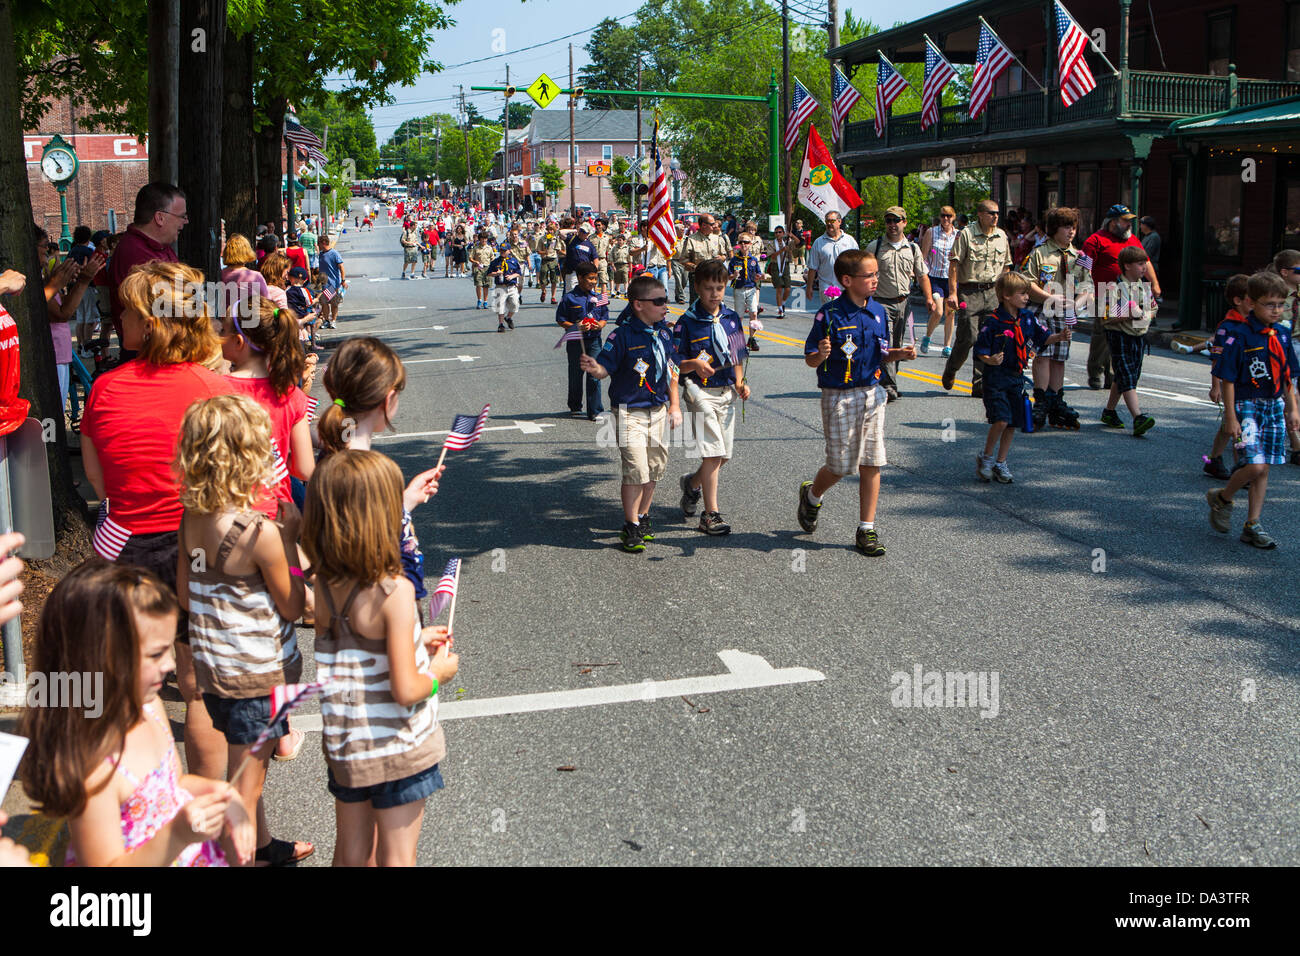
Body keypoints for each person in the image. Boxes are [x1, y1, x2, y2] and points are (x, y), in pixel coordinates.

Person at [79, 261, 234, 783]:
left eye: (126, 308)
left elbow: (98, 484)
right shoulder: (218, 389)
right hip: (202, 550)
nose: (116, 315)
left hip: (125, 551)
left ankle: (144, 823)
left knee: (133, 688)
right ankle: (212, 833)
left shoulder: (103, 390)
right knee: (198, 689)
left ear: (151, 321)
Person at [20, 559, 255, 866]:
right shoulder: (92, 766)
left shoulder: (150, 706)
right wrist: (178, 835)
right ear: (103, 659)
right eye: (156, 653)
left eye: (169, 648)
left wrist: (223, 793)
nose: (170, 664)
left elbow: (172, 787)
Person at [174, 395, 312, 866]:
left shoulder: (190, 520)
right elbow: (292, 605)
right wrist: (291, 545)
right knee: (243, 795)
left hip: (217, 676)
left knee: (245, 777)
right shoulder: (260, 533)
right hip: (259, 679)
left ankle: (261, 847)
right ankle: (241, 857)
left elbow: (186, 595)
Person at [302, 450, 457, 866]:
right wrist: (438, 673)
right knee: (397, 856)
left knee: (351, 851)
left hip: (346, 743)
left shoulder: (324, 582)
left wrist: (411, 639)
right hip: (398, 746)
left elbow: (356, 643)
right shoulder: (395, 591)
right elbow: (407, 689)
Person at [795, 249, 917, 556]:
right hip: (838, 395)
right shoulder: (829, 315)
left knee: (872, 461)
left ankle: (866, 528)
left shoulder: (878, 312)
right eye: (869, 275)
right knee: (840, 465)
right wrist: (819, 355)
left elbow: (881, 351)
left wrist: (896, 354)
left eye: (877, 274)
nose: (875, 280)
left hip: (872, 393)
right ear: (847, 280)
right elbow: (811, 360)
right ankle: (812, 494)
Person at [318, 338, 443, 614]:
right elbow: (383, 546)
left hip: (344, 616)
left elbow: (356, 527)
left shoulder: (329, 459)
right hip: (383, 618)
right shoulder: (376, 471)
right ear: (388, 399)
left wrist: (404, 502)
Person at [579, 273, 682, 553]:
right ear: (638, 304)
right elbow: (605, 369)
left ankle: (644, 515)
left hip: (658, 409)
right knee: (636, 467)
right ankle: (631, 524)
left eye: (666, 300)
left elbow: (671, 370)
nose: (665, 306)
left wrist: (674, 405)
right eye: (659, 301)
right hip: (629, 411)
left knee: (655, 468)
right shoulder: (621, 335)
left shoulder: (664, 332)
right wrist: (594, 368)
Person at [1205, 271, 1299, 549]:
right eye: (1270, 304)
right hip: (1247, 407)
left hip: (1274, 405)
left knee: (1264, 467)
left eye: (1281, 304)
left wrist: (1292, 409)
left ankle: (1252, 524)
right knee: (1254, 463)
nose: (1277, 310)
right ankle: (1223, 497)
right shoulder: (1239, 335)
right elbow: (1229, 378)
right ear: (1250, 302)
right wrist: (1231, 416)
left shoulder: (1281, 333)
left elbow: (1286, 376)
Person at [673, 259, 750, 535]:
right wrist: (693, 363)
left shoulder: (731, 319)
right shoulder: (687, 323)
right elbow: (674, 363)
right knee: (713, 453)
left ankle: (692, 484)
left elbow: (738, 355)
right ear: (697, 288)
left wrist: (740, 382)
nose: (714, 294)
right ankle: (710, 514)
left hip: (725, 392)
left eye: (719, 287)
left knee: (723, 455)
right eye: (708, 288)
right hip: (698, 392)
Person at [974, 272, 1072, 483]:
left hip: (1016, 378)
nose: (1027, 297)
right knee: (1001, 419)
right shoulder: (993, 321)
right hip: (996, 378)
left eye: (1027, 293)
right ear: (1006, 296)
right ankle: (987, 457)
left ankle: (1001, 462)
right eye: (1022, 294)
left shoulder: (1028, 318)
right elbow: (980, 350)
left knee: (1013, 423)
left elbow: (1043, 338)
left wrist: (1060, 337)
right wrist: (990, 359)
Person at [1021, 207, 1094, 430]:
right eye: (1066, 227)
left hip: (1065, 312)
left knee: (1060, 356)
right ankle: (1041, 400)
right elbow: (1027, 282)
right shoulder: (1040, 253)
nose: (1071, 231)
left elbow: (1087, 286)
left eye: (1073, 227)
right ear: (1054, 229)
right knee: (1043, 353)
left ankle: (1056, 399)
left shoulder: (1079, 257)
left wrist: (1077, 303)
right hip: (1042, 309)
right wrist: (1049, 297)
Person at [1081, 204, 1162, 390]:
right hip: (1104, 293)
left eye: (1130, 221)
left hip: (1130, 293)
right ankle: (1096, 373)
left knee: (1121, 335)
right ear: (1112, 222)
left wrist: (1155, 284)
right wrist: (1087, 292)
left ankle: (1114, 375)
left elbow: (1146, 261)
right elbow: (1083, 268)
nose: (1129, 225)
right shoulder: (1094, 241)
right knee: (1102, 336)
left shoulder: (1133, 239)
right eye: (1125, 221)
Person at [865, 206, 937, 402]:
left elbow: (922, 275)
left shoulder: (913, 248)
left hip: (903, 302)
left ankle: (888, 380)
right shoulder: (875, 247)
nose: (892, 225)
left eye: (896, 220)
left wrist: (929, 298)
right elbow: (865, 274)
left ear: (904, 223)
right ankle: (888, 386)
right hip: (880, 303)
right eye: (889, 221)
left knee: (896, 344)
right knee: (886, 342)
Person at [108, 183, 185, 362]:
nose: (185, 222)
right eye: (181, 216)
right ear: (160, 217)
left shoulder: (159, 248)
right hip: (149, 355)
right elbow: (169, 308)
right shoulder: (136, 253)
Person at [942, 199, 1012, 399]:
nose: (995, 216)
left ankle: (979, 383)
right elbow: (954, 265)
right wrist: (953, 293)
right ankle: (952, 368)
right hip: (969, 292)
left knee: (988, 338)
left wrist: (1005, 294)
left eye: (997, 213)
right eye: (991, 213)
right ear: (980, 214)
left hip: (993, 293)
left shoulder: (1002, 236)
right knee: (968, 337)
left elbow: (1006, 267)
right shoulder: (967, 234)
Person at [1098, 246, 1158, 435]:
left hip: (1139, 335)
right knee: (1126, 373)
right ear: (1127, 266)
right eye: (1140, 264)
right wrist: (1127, 314)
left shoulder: (1143, 287)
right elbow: (1104, 316)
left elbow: (1153, 308)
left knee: (1129, 374)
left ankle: (1109, 411)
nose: (1144, 268)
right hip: (1119, 335)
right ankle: (1137, 417)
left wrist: (1146, 313)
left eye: (1145, 264)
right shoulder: (1114, 288)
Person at [1202, 274, 1252, 479]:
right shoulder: (1228, 326)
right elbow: (1217, 357)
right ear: (1238, 300)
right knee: (1238, 425)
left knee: (1228, 424)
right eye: (1253, 297)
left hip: (1251, 382)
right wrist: (1215, 386)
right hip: (1233, 383)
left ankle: (1214, 459)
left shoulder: (1255, 323)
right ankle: (1242, 466)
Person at [557, 262, 608, 419]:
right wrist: (576, 326)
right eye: (590, 278)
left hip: (594, 341)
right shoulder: (569, 298)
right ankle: (575, 405)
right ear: (580, 278)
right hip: (576, 342)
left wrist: (599, 325)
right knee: (576, 375)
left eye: (595, 278)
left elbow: (605, 317)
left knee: (594, 375)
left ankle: (595, 411)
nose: (593, 282)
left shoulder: (600, 297)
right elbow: (560, 319)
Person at [920, 206, 958, 355]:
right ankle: (928, 336)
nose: (946, 219)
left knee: (951, 313)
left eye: (949, 216)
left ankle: (947, 346)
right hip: (935, 277)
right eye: (943, 216)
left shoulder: (958, 235)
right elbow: (924, 256)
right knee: (938, 311)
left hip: (951, 278)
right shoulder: (932, 232)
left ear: (953, 217)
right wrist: (921, 274)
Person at [805, 211, 859, 308]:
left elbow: (857, 264)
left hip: (847, 288)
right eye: (827, 221)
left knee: (846, 319)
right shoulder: (819, 242)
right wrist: (809, 287)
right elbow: (812, 267)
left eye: (832, 221)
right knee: (831, 317)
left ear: (839, 222)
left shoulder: (849, 241)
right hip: (827, 288)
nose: (829, 224)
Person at [683, 215, 732, 305]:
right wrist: (697, 267)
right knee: (697, 304)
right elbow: (683, 260)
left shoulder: (717, 238)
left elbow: (724, 255)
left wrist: (721, 258)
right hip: (698, 277)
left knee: (715, 303)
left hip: (715, 276)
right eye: (712, 224)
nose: (714, 226)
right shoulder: (691, 240)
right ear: (704, 225)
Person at [729, 233, 764, 352]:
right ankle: (738, 340)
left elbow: (758, 273)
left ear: (750, 244)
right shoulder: (734, 260)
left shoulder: (753, 260)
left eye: (746, 242)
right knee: (739, 316)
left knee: (754, 313)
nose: (744, 244)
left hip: (751, 289)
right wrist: (733, 275)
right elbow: (728, 276)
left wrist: (760, 276)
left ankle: (752, 339)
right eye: (741, 242)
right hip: (739, 289)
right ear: (738, 244)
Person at [488, 242, 522, 333]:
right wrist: (496, 273)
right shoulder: (495, 262)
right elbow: (489, 273)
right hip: (500, 286)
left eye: (504, 250)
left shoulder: (514, 261)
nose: (502, 252)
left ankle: (508, 317)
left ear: (509, 251)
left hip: (511, 287)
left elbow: (519, 272)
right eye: (501, 250)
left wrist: (512, 276)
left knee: (515, 304)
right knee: (500, 306)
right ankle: (501, 324)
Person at [285, 266, 319, 350]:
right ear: (302, 280)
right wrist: (316, 300)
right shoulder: (304, 290)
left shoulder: (287, 289)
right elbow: (309, 302)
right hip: (301, 314)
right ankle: (305, 342)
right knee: (302, 329)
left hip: (291, 314)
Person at [317, 234, 347, 330]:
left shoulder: (334, 253)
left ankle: (333, 321)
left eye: (319, 244)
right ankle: (326, 320)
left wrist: (343, 280)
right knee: (324, 302)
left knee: (334, 303)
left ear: (324, 243)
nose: (318, 246)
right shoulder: (321, 254)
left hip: (333, 283)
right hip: (324, 284)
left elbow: (341, 267)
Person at [561, 222, 598, 294]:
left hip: (585, 273)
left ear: (588, 234)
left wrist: (594, 271)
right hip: (572, 272)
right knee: (571, 292)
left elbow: (595, 258)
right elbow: (561, 232)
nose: (581, 233)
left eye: (584, 232)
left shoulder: (590, 245)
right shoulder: (571, 239)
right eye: (581, 230)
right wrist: (573, 230)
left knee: (587, 291)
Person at [766, 225, 792, 318]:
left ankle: (783, 303)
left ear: (783, 233)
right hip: (775, 266)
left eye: (780, 232)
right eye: (776, 232)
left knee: (788, 288)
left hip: (785, 265)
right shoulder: (771, 244)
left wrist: (791, 235)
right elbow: (772, 256)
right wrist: (782, 250)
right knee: (779, 288)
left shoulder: (787, 242)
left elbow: (798, 243)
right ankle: (780, 310)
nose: (778, 234)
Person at [536, 222, 564, 304]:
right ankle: (543, 291)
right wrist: (543, 252)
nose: (550, 232)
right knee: (543, 278)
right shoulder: (542, 239)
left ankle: (553, 297)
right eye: (549, 230)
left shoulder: (556, 239)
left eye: (552, 230)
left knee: (554, 279)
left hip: (553, 260)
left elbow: (558, 249)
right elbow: (538, 250)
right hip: (545, 260)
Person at [469, 232, 496, 309]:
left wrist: (494, 267)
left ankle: (485, 301)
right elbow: (470, 258)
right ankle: (479, 300)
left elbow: (492, 258)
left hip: (487, 267)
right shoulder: (476, 248)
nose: (484, 240)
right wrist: (475, 262)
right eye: (482, 239)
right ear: (480, 239)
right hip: (478, 268)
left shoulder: (489, 248)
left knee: (486, 286)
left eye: (485, 239)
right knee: (478, 285)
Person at [591, 219, 612, 294]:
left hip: (603, 260)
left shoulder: (606, 237)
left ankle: (603, 299)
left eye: (599, 225)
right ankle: (595, 296)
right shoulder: (591, 238)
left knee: (604, 280)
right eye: (596, 225)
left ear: (602, 226)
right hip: (593, 261)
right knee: (593, 280)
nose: (597, 227)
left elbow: (608, 250)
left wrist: (610, 261)